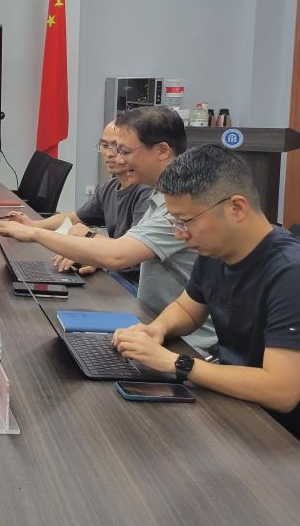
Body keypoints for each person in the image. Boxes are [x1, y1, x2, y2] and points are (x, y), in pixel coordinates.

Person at [0, 106, 214, 353]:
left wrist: (35, 233)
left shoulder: (181, 207)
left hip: (184, 343)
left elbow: (118, 255)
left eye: (125, 151)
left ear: (162, 151)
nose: (118, 159)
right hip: (154, 325)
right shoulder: (160, 196)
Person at [113, 145, 300, 437]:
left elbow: (281, 391)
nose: (179, 234)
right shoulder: (216, 250)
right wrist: (157, 329)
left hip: (279, 434)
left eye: (186, 221)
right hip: (233, 402)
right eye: (174, 222)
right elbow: (188, 309)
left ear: (236, 208)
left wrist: (177, 363)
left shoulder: (290, 273)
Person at [4, 120, 151, 284]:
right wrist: (34, 225)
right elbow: (76, 217)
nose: (109, 154)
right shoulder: (110, 187)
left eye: (117, 147)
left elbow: (129, 255)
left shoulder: (147, 193)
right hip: (113, 270)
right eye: (104, 146)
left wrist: (90, 242)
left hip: (132, 282)